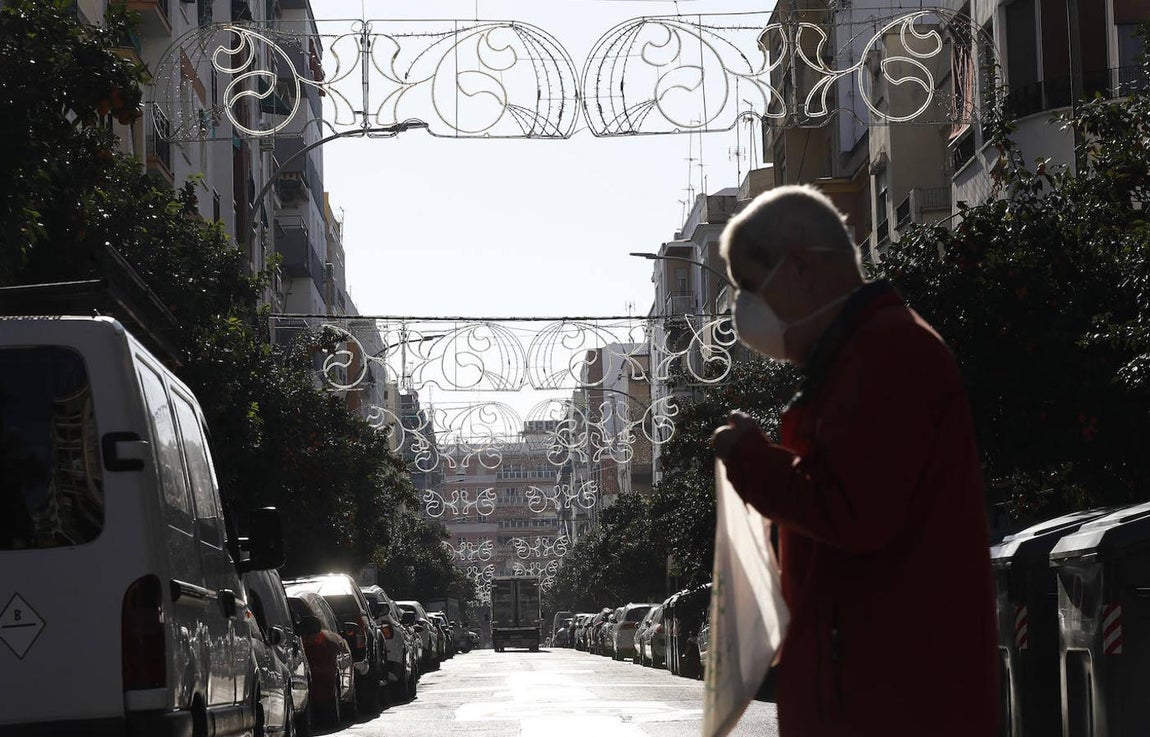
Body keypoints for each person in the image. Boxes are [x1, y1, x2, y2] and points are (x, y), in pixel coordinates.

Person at [712, 186, 998, 736]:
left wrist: (751, 461)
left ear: (798, 267)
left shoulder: (886, 354)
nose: (742, 309)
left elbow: (851, 510)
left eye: (749, 285)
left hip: (891, 702)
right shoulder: (856, 358)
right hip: (867, 695)